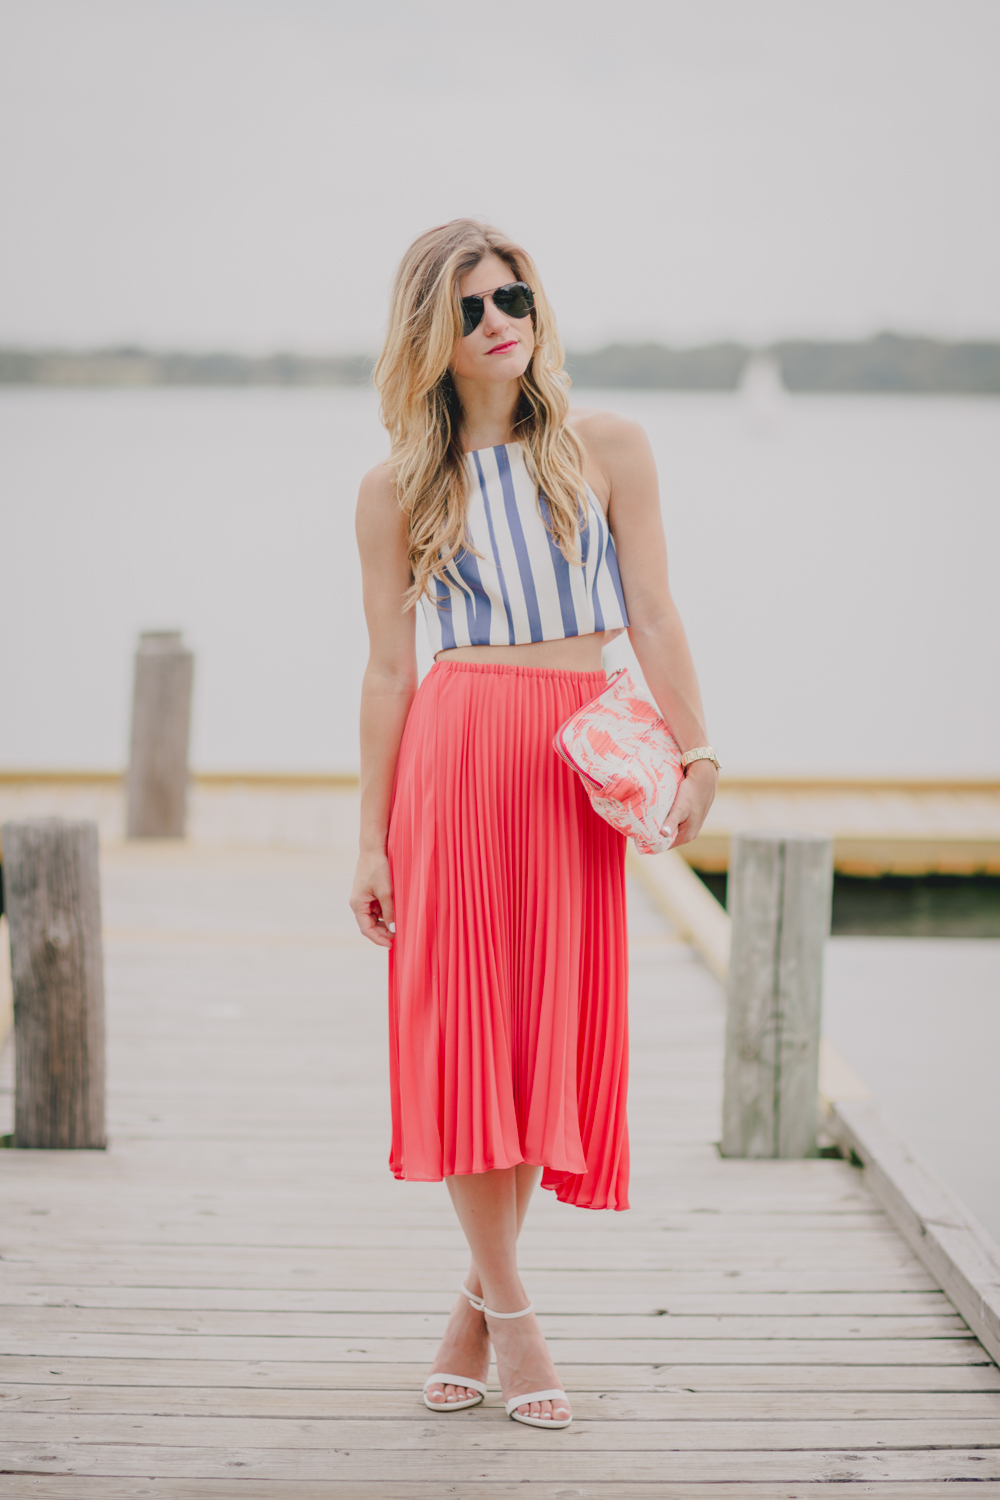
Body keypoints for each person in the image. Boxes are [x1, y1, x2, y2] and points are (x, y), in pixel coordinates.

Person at [350, 220, 718, 1429]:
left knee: (538, 1039)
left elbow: (653, 610)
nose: (499, 319)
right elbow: (388, 673)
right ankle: (517, 1322)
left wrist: (696, 741)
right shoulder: (398, 485)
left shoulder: (607, 445)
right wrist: (369, 839)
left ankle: (474, 1301)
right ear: (429, 336)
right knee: (467, 1041)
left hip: (573, 761)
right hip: (456, 760)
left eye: (511, 295)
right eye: (467, 308)